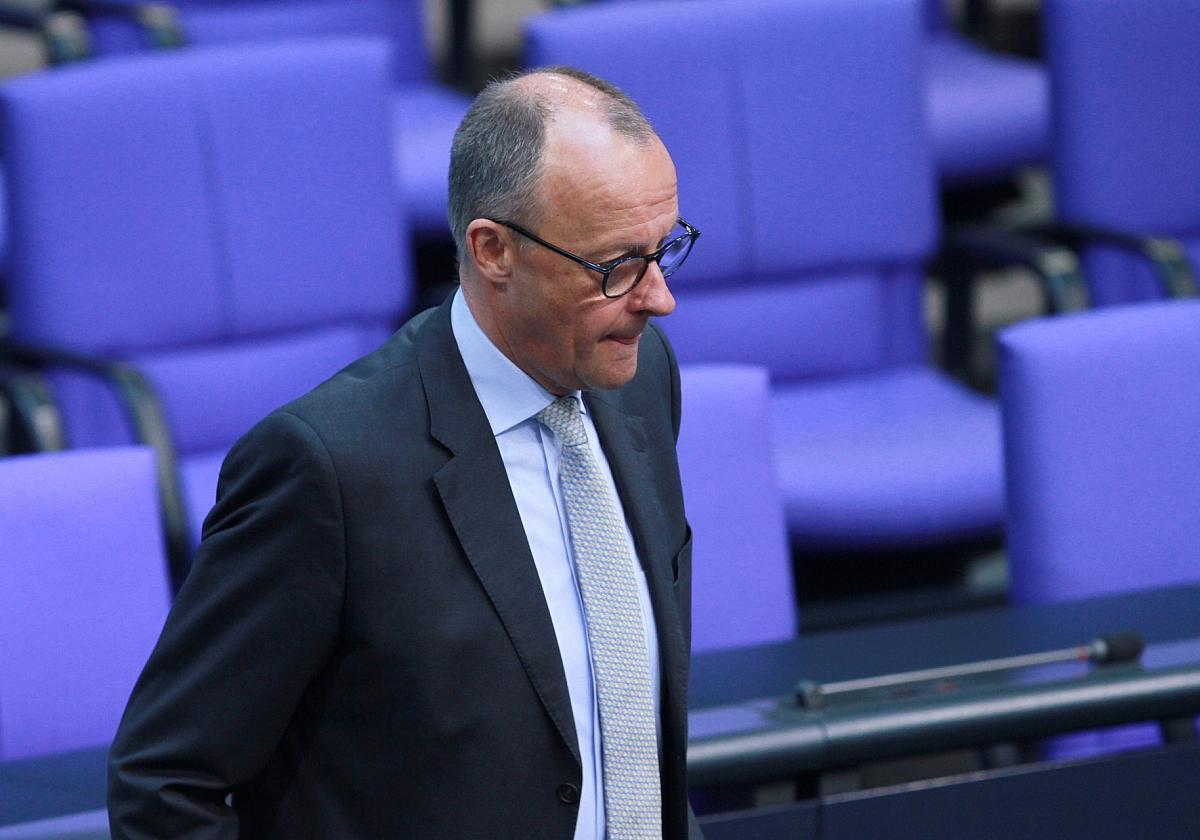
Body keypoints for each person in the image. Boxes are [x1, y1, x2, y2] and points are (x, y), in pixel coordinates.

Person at [108, 65, 703, 839]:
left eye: (666, 249)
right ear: (493, 251)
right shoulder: (327, 470)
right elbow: (164, 786)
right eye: (616, 267)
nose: (659, 298)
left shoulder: (640, 379)